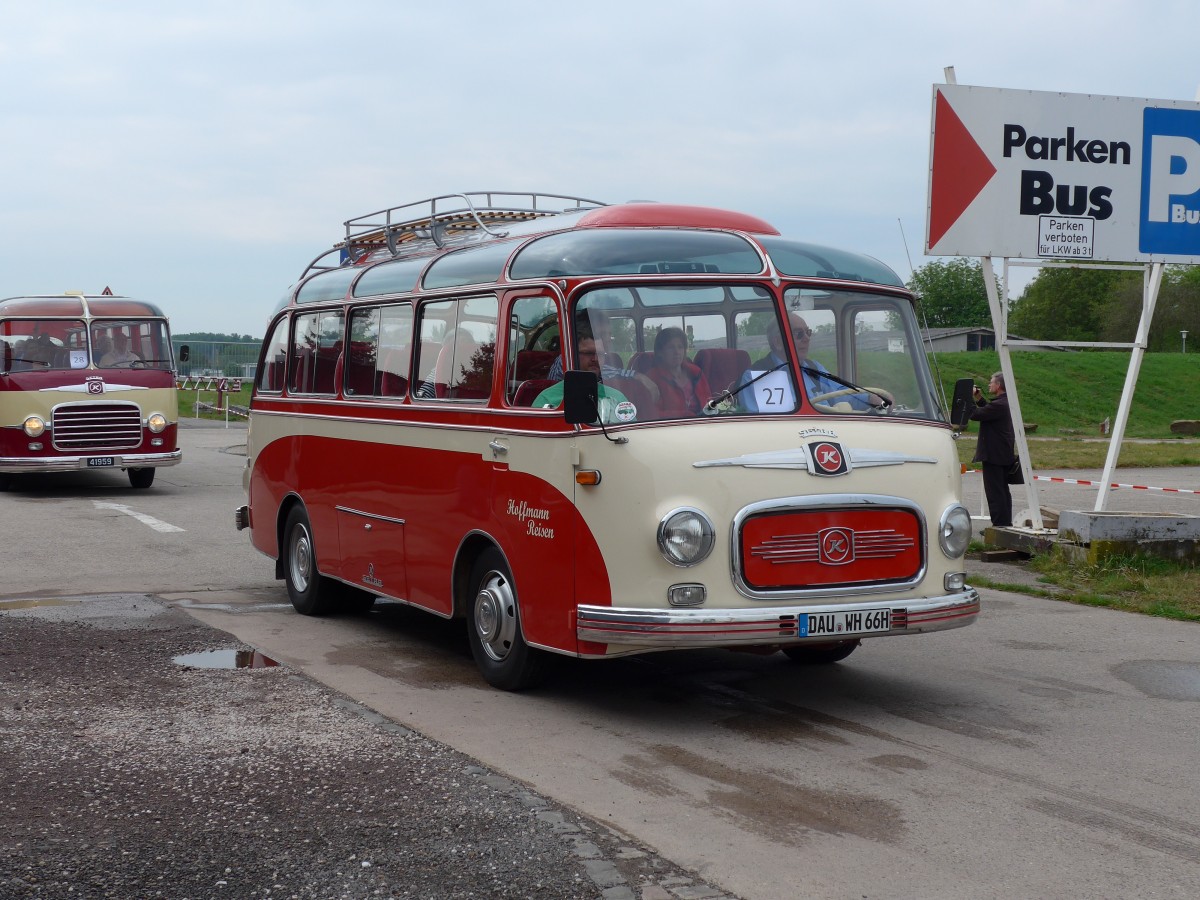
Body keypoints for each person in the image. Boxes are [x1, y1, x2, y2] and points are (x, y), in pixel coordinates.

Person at [735, 312, 887, 412]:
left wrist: (872, 399)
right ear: (778, 342)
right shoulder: (759, 376)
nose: (807, 339)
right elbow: (769, 425)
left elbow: (844, 396)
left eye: (808, 332)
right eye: (799, 334)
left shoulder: (814, 368)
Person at [547, 310, 661, 404]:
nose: (607, 339)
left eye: (609, 334)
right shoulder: (566, 360)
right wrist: (638, 376)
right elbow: (593, 373)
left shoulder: (616, 394)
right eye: (602, 334)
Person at [533, 330, 633, 423]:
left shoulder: (618, 398)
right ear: (573, 354)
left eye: (600, 354)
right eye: (588, 353)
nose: (596, 359)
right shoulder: (546, 399)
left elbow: (631, 435)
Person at [969, 371, 1016, 528]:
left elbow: (975, 414)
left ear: (999, 385)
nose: (989, 384)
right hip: (1002, 453)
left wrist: (966, 396)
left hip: (994, 455)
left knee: (995, 492)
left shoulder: (1000, 405)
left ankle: (999, 526)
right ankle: (1004, 523)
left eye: (991, 382)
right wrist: (979, 399)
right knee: (1002, 490)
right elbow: (988, 411)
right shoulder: (1004, 403)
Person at [647, 327, 712, 417]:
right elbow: (650, 413)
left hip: (703, 425)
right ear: (660, 352)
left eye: (680, 347)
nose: (677, 352)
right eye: (671, 347)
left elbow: (709, 402)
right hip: (670, 428)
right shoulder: (652, 378)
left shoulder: (696, 372)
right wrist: (684, 415)